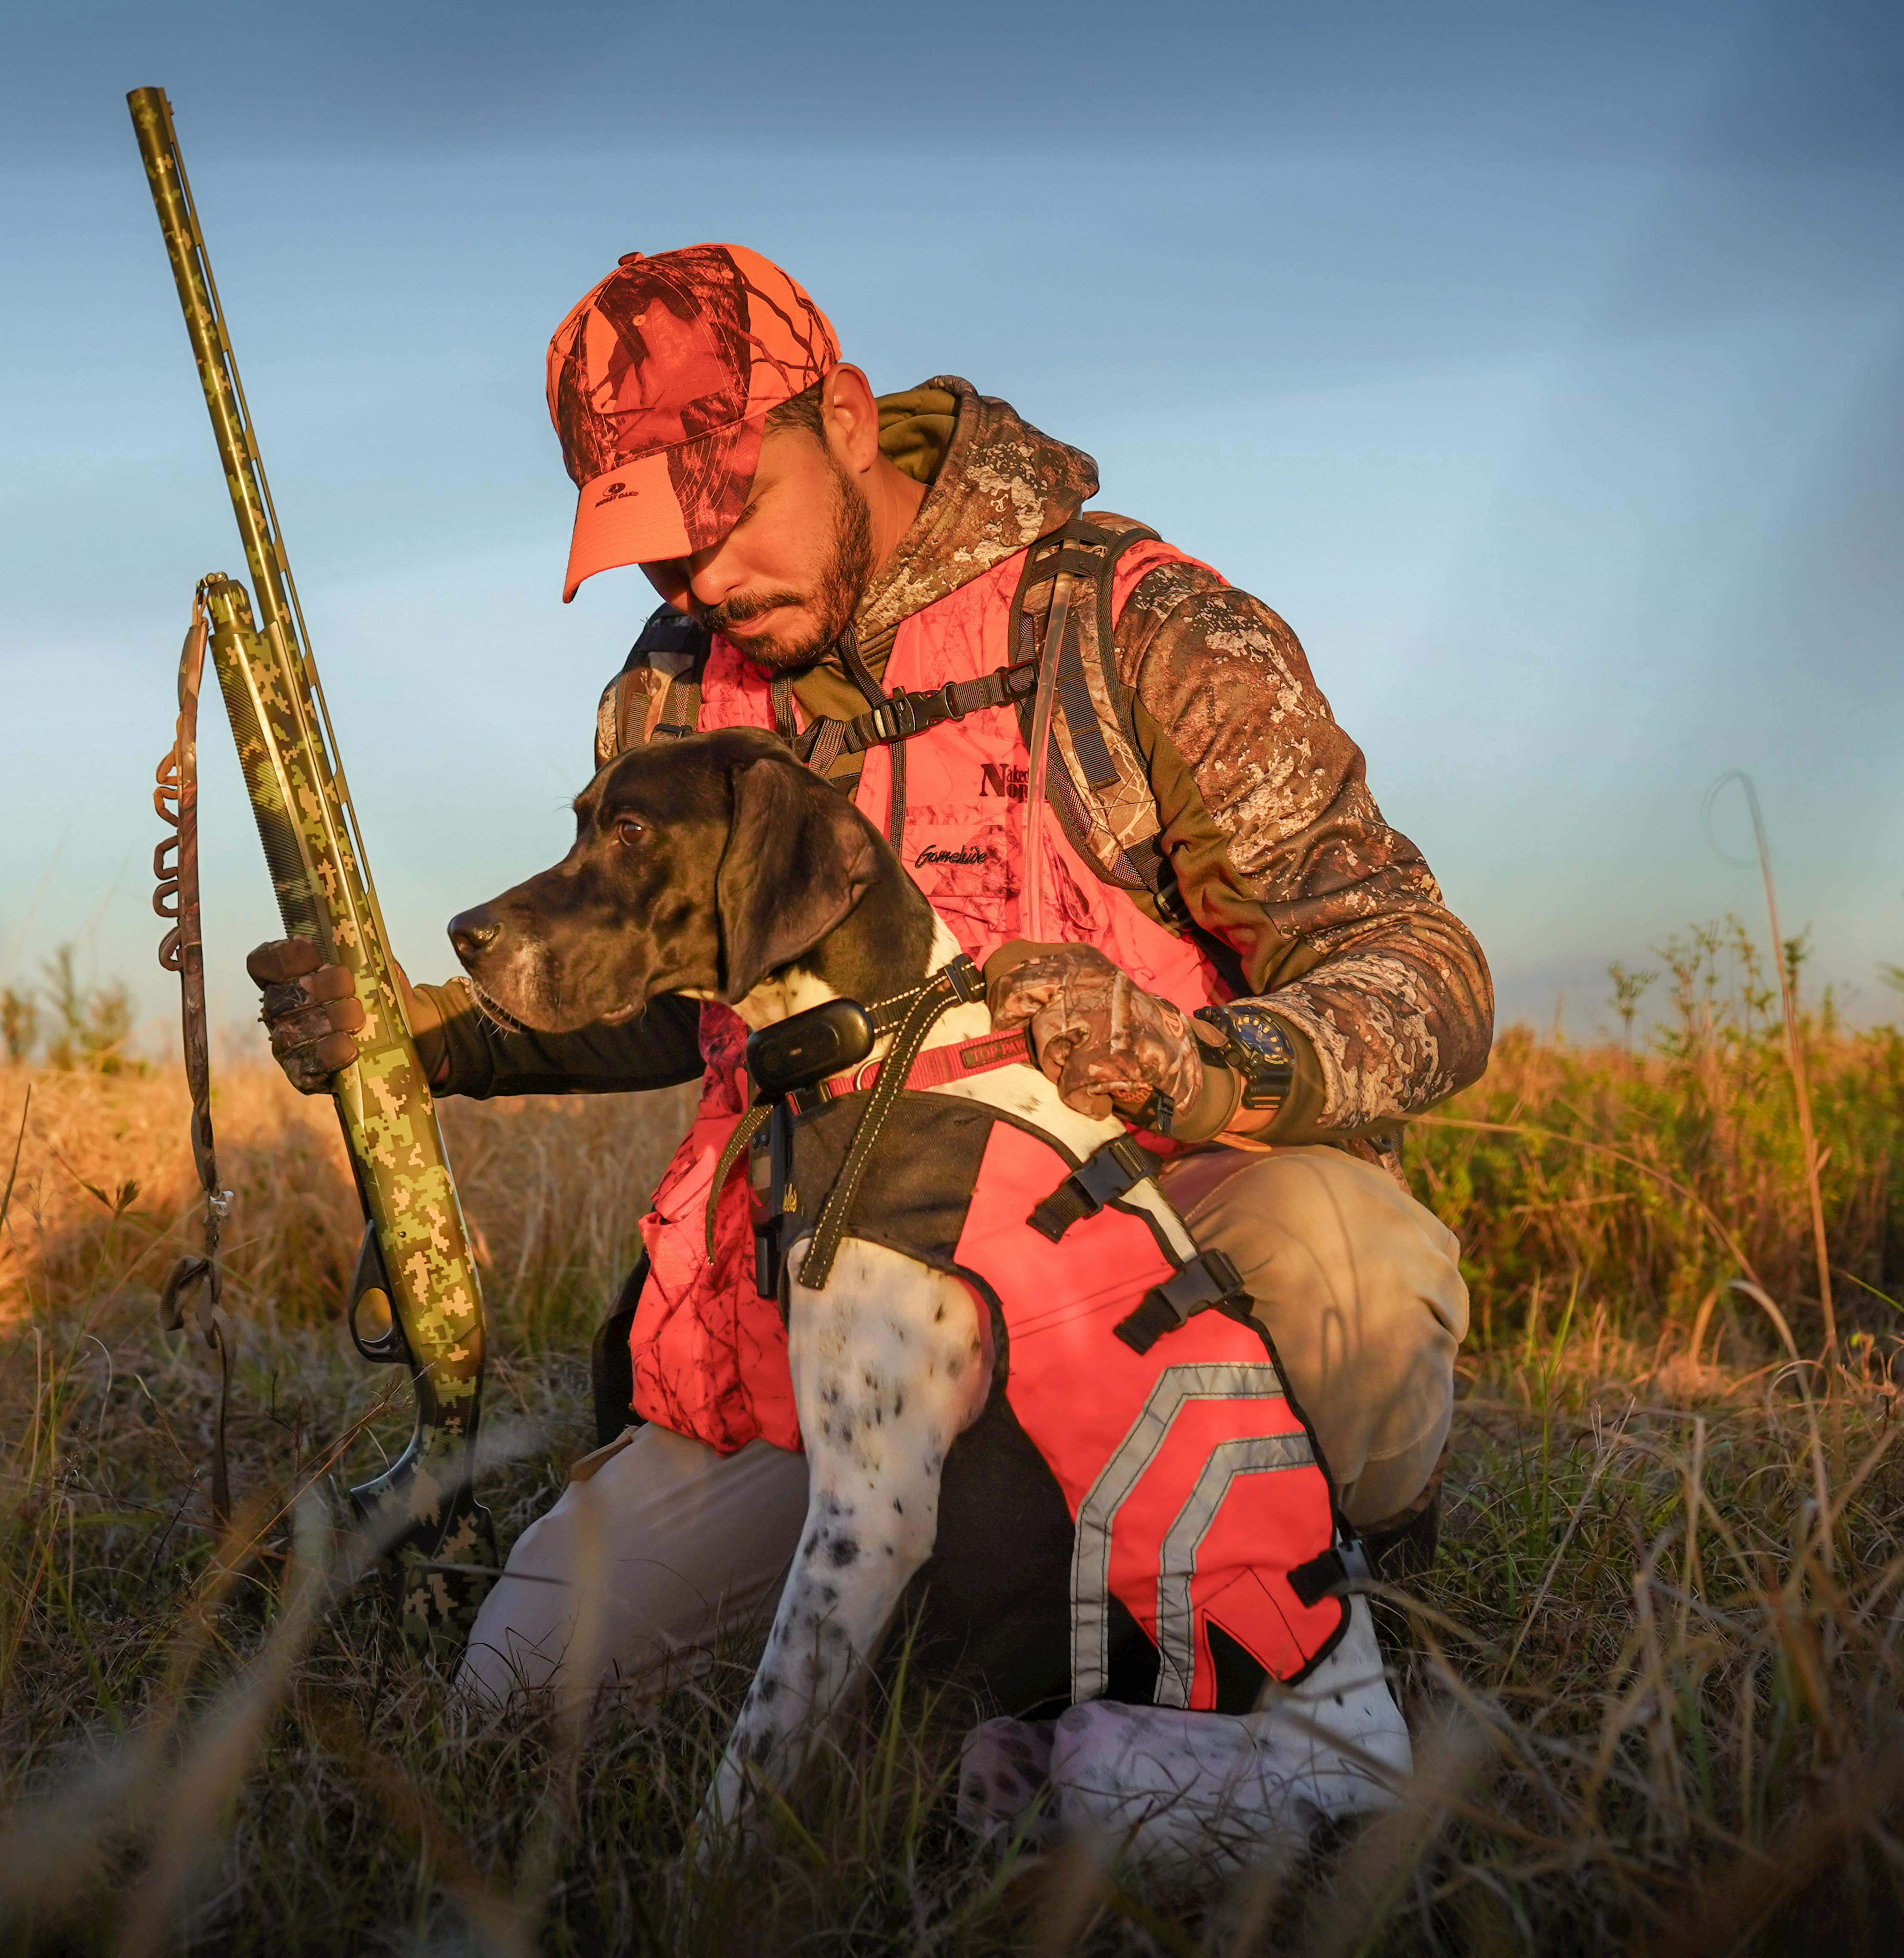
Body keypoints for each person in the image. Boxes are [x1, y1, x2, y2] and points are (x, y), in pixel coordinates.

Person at [248, 243, 1489, 1710]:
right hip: (840, 1309)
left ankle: (1324, 1604)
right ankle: (992, 1627)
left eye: (729, 515)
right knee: (529, 1680)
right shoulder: (673, 684)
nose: (703, 575)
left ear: (841, 416)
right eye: (655, 543)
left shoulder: (1130, 624)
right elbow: (666, 986)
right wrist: (423, 1036)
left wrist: (1200, 1058)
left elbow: (1418, 962)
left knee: (1349, 1261)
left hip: (1141, 1269)